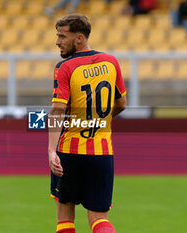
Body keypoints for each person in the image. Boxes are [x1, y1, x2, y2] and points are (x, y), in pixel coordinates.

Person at [48, 14, 126, 233]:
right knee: (100, 219)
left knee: (65, 215)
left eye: (62, 36)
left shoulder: (65, 67)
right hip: (102, 154)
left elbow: (58, 109)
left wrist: (51, 150)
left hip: (69, 151)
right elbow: (121, 104)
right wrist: (100, 122)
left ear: (79, 38)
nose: (57, 41)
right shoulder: (111, 62)